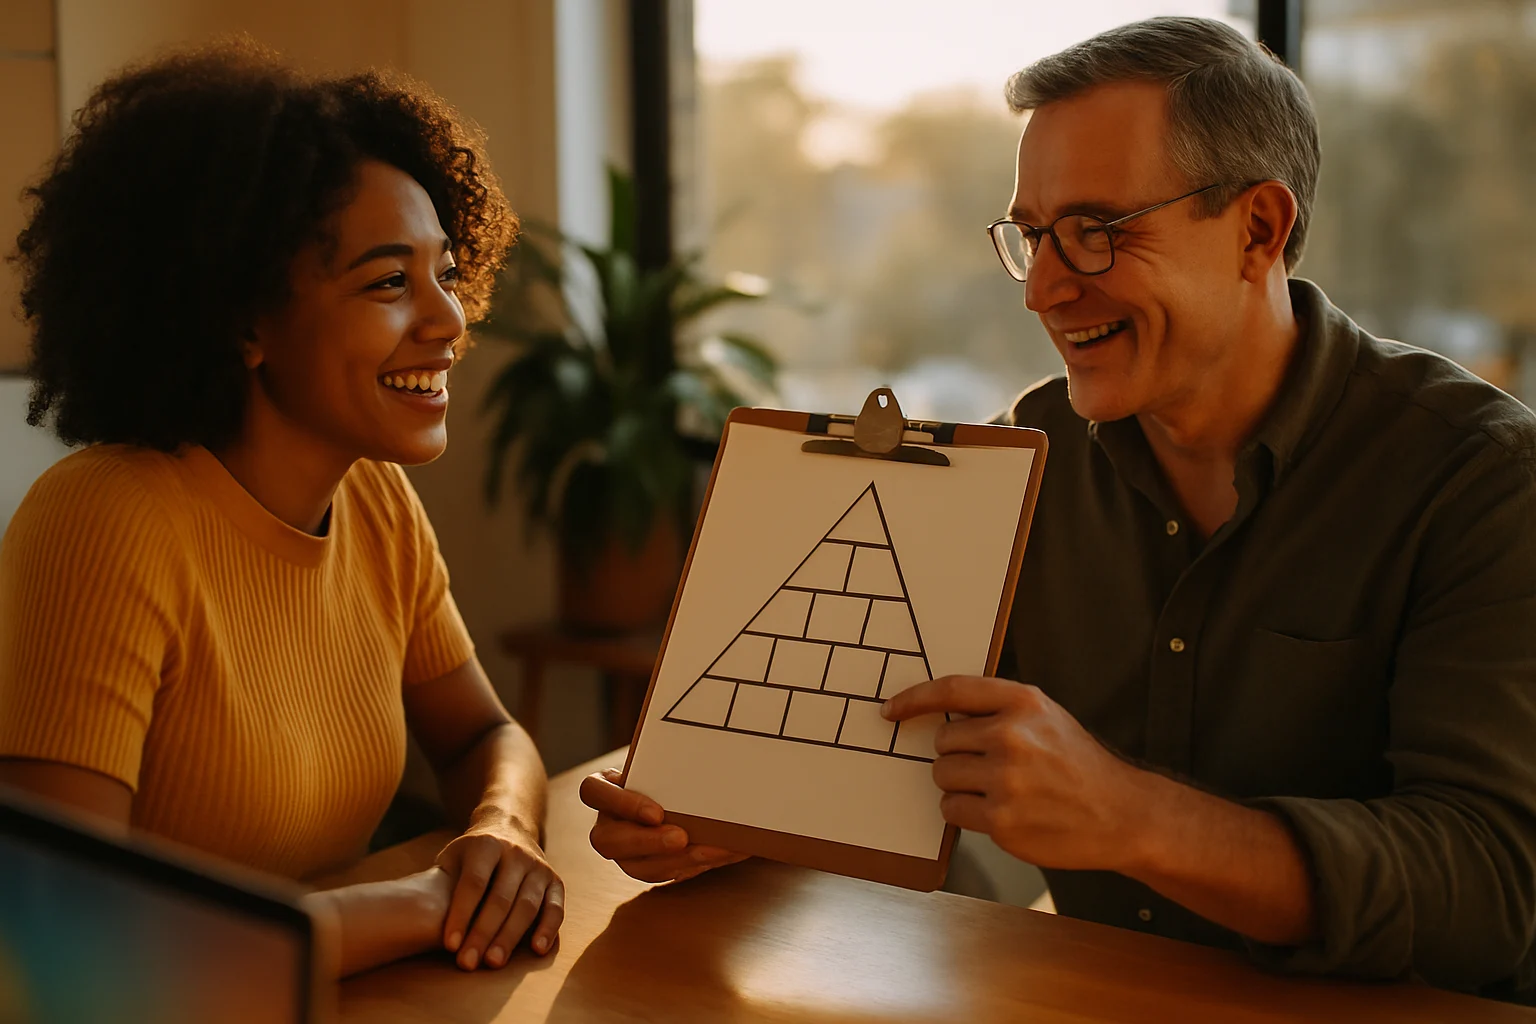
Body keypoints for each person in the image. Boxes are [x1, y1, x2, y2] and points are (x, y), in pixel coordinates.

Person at [581, 16, 1536, 1000]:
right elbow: (883, 752)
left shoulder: (1482, 480)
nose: (1042, 289)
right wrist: (730, 820)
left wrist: (1134, 816)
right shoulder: (1024, 458)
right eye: (1033, 235)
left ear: (1259, 230)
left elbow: (1496, 889)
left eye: (1095, 231)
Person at [0, 43, 562, 978]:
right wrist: (420, 905)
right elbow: (60, 926)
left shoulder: (375, 499)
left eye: (447, 272)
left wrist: (504, 830)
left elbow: (481, 735)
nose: (450, 320)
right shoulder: (104, 519)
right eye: (390, 281)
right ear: (245, 322)